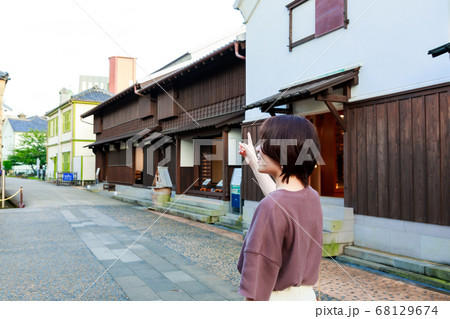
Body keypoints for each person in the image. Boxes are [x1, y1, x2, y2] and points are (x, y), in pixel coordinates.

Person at [237, 115, 323, 301]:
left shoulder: (270, 207)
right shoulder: (312, 197)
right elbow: (281, 200)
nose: (259, 148)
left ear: (283, 152)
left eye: (264, 143)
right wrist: (252, 159)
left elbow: (255, 290)